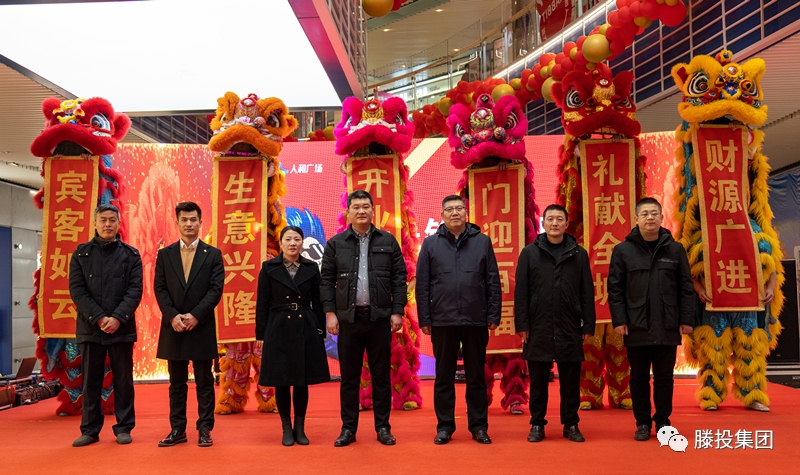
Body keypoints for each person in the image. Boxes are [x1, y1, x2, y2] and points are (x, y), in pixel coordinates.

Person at [321, 189, 407, 447]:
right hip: (349, 320)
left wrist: (397, 310)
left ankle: (383, 427)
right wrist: (330, 314)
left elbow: (399, 279)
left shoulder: (388, 241)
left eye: (366, 206)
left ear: (373, 210)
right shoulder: (336, 243)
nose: (361, 211)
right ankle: (348, 428)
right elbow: (326, 281)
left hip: (379, 318)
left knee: (381, 377)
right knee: (349, 378)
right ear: (348, 212)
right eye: (356, 207)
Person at [416, 195, 501, 445]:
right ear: (442, 215)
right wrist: (425, 318)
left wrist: (493, 314)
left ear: (466, 213)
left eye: (459, 208)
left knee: (476, 377)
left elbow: (492, 280)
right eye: (449, 209)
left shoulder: (482, 241)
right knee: (443, 377)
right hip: (443, 319)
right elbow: (423, 284)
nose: (455, 213)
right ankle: (444, 427)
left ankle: (479, 426)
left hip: (476, 318)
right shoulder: (431, 244)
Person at [608, 197, 694, 441]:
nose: (650, 218)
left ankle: (663, 421)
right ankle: (642, 423)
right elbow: (615, 289)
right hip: (636, 324)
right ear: (636, 219)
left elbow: (686, 287)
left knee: (665, 377)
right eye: (645, 214)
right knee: (638, 377)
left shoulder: (675, 249)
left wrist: (686, 319)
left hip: (668, 323)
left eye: (654, 213)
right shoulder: (623, 250)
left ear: (661, 218)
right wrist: (619, 320)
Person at [514, 204, 595, 443]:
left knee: (570, 379)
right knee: (538, 379)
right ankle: (537, 424)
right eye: (550, 219)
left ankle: (571, 424)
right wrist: (522, 324)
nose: (555, 223)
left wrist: (588, 325)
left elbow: (587, 292)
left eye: (560, 219)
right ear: (543, 223)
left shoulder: (578, 254)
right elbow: (521, 292)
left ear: (567, 224)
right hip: (538, 324)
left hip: (570, 323)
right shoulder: (529, 253)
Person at [69, 204, 143, 447]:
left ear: (119, 223)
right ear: (95, 224)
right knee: (90, 380)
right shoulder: (80, 255)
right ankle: (90, 430)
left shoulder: (131, 255)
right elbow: (77, 291)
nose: (108, 224)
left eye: (112, 220)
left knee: (123, 380)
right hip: (91, 327)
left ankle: (124, 427)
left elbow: (135, 291)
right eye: (103, 220)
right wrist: (100, 318)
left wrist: (117, 318)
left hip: (122, 328)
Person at [154, 202, 224, 447]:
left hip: (201, 326)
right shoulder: (165, 254)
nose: (189, 224)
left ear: (200, 222)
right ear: (177, 223)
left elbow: (215, 290)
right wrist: (172, 316)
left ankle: (205, 429)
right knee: (176, 383)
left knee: (204, 381)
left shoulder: (212, 254)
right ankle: (177, 429)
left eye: (193, 219)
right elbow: (160, 288)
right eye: (184, 220)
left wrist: (196, 315)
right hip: (174, 327)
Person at [256, 226, 330, 446]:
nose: (292, 243)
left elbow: (318, 302)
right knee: (282, 380)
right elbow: (262, 304)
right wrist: (261, 334)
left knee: (301, 380)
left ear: (301, 243)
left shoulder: (311, 267)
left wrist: (320, 329)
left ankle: (300, 428)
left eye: (297, 239)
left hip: (305, 325)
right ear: (280, 243)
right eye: (287, 239)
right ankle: (286, 428)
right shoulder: (268, 268)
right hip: (277, 326)